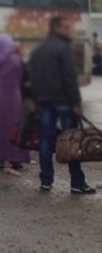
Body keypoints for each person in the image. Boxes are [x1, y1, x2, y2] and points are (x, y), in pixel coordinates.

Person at [29, 16, 95, 193]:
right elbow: (69, 78)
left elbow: (33, 78)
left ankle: (46, 180)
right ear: (57, 28)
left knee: (46, 139)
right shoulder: (64, 48)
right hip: (64, 102)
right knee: (71, 140)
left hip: (44, 102)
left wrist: (35, 100)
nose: (69, 30)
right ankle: (77, 182)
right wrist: (76, 103)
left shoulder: (38, 50)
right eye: (66, 27)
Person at [0, 33, 31, 172]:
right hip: (13, 96)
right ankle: (15, 159)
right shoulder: (16, 59)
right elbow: (22, 77)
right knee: (15, 125)